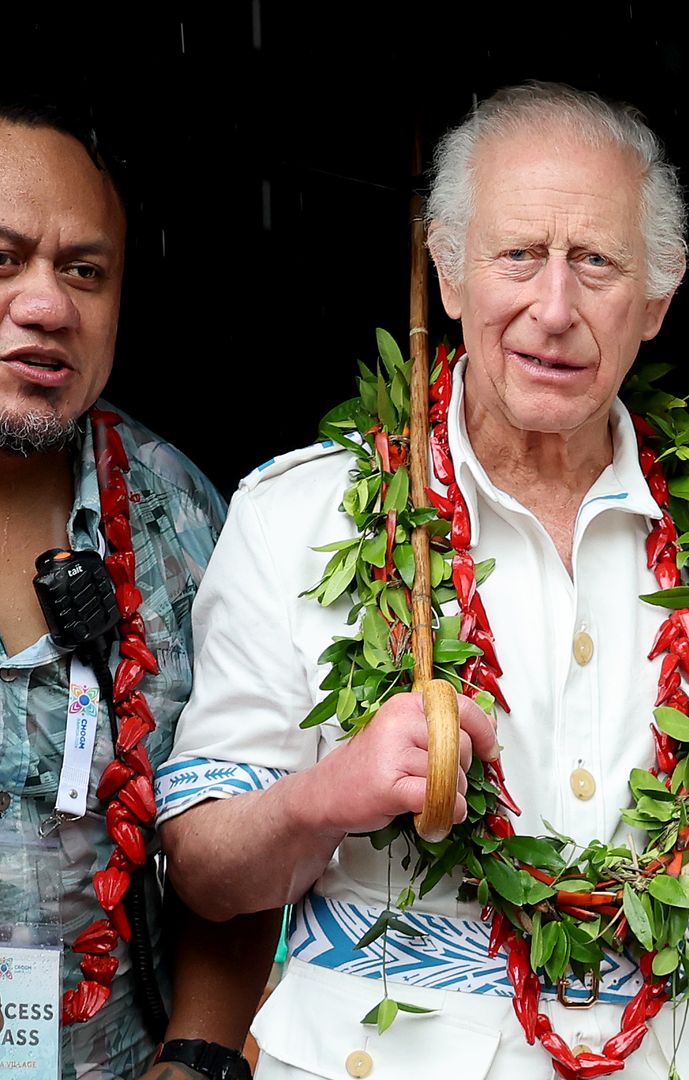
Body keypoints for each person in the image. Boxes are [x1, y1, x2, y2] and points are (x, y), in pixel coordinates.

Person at [153, 84, 689, 1080]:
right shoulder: (301, 515)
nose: (554, 308)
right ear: (447, 274)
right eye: (516, 255)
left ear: (657, 298)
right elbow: (202, 873)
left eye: (596, 262)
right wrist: (330, 796)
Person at [0, 102, 278, 1079]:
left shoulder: (182, 520)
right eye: (2, 258)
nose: (46, 305)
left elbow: (246, 831)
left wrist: (199, 1052)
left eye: (85, 270)